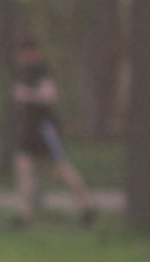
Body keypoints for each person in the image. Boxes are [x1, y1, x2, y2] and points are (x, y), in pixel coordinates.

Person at [8, 41, 97, 229]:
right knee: (23, 169)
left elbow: (49, 96)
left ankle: (86, 207)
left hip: (45, 129)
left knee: (62, 169)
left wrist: (27, 95)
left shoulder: (42, 71)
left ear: (32, 53)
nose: (20, 57)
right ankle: (23, 216)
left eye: (23, 53)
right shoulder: (23, 73)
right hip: (29, 131)